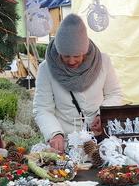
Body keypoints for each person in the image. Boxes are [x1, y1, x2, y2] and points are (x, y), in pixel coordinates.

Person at [33, 14, 123, 152]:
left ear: (85, 52)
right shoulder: (46, 69)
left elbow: (115, 94)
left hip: (100, 141)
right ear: (58, 52)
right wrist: (55, 133)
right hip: (66, 142)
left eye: (76, 56)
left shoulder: (103, 62)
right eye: (65, 56)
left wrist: (103, 115)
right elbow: (42, 108)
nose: (71, 61)